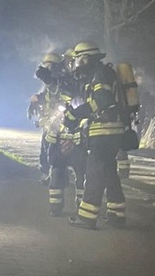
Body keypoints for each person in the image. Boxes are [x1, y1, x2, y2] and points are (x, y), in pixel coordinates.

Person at [65, 42, 127, 230]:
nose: (77, 64)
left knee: (94, 173)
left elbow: (102, 101)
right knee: (109, 173)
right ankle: (117, 213)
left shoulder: (100, 75)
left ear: (86, 58)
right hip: (111, 131)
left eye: (78, 59)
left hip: (104, 132)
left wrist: (75, 114)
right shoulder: (103, 74)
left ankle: (87, 217)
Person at [28, 51, 85, 216]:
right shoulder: (54, 80)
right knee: (55, 167)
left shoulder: (67, 79)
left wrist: (49, 80)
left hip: (74, 132)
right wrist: (36, 100)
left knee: (80, 171)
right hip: (54, 130)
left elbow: (63, 91)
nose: (48, 68)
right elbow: (50, 94)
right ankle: (56, 206)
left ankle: (82, 207)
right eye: (46, 65)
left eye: (50, 65)